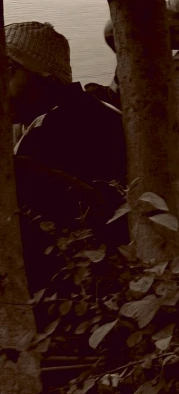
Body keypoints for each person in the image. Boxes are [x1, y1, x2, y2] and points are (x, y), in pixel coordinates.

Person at [8, 21, 128, 297]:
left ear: (45, 74)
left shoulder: (65, 129)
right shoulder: (78, 110)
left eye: (9, 71)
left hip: (82, 286)